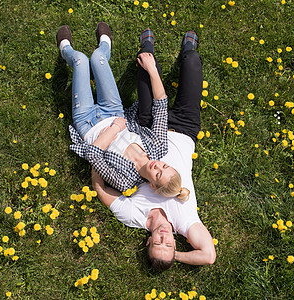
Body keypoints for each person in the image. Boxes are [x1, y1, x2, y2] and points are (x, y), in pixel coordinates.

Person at [92, 29, 216, 271]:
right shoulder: (185, 220)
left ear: (148, 242)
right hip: (184, 127)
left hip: (148, 125)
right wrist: (175, 255)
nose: (164, 238)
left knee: (146, 66)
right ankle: (187, 51)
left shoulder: (136, 216)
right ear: (175, 243)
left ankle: (146, 45)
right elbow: (208, 256)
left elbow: (101, 189)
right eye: (169, 244)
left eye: (158, 243)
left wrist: (95, 155)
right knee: (191, 62)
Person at [56, 23, 188, 200]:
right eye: (164, 166)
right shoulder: (158, 147)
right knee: (97, 57)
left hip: (86, 123)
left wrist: (115, 129)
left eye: (158, 174)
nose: (157, 166)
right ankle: (105, 46)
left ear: (153, 187)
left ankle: (65, 50)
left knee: (80, 60)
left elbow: (92, 154)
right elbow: (161, 107)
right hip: (112, 110)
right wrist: (152, 70)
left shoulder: (126, 181)